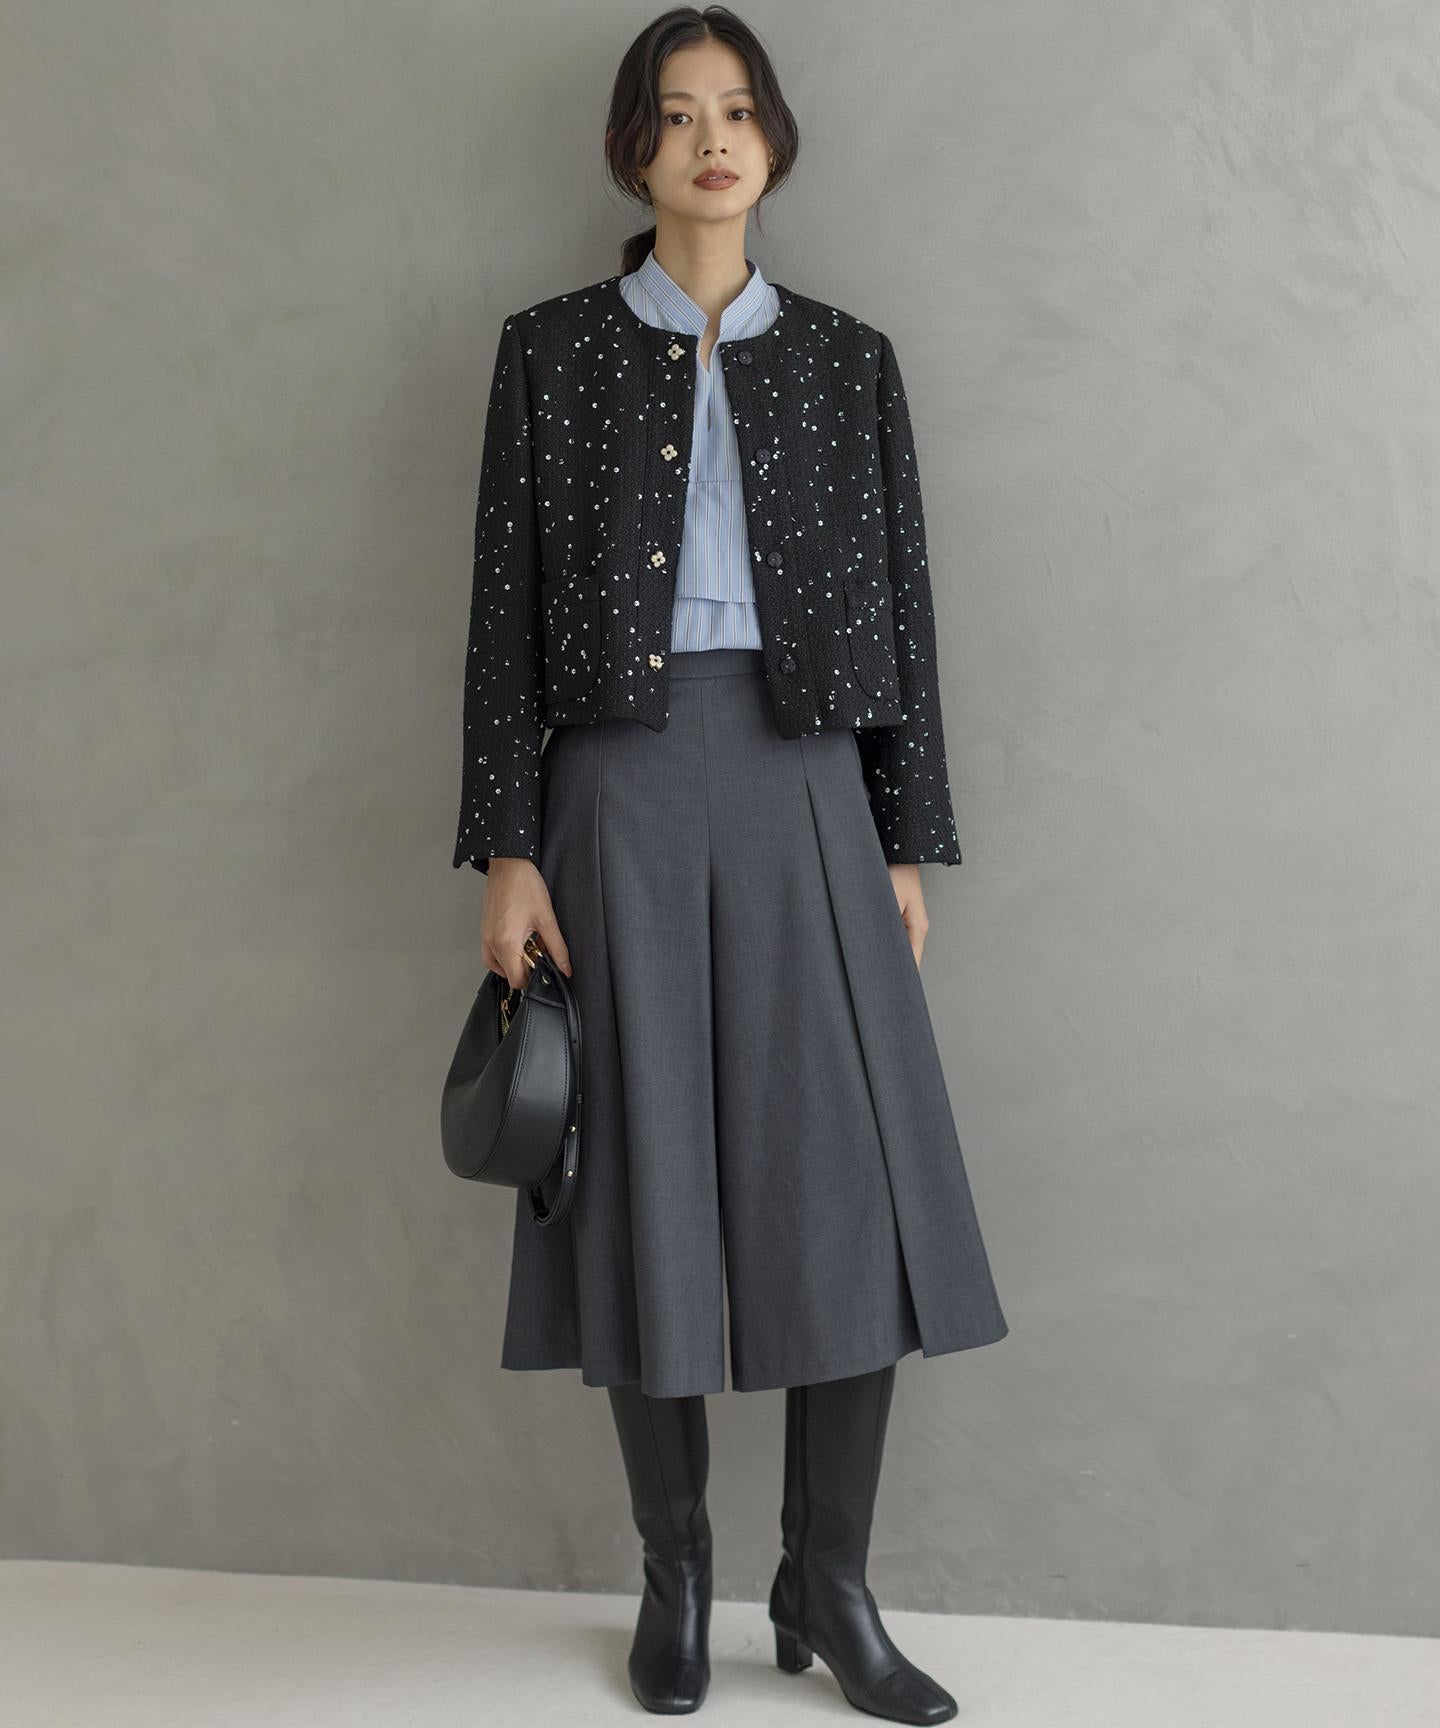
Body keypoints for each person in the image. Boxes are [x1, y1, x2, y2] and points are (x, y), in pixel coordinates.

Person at [452, 8, 1008, 1719]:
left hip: (807, 781)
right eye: (679, 114)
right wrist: (507, 850)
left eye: (739, 111)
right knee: (642, 1177)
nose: (712, 141)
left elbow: (905, 605)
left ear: (774, 140)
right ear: (634, 147)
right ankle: (675, 1569)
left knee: (852, 1187)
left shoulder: (847, 360)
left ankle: (827, 1579)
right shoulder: (550, 351)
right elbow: (500, 618)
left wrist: (903, 833)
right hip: (612, 793)